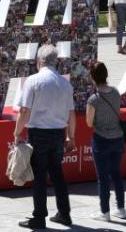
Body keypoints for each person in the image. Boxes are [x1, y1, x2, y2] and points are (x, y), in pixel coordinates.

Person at [13, 45, 75, 229]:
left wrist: (17, 132)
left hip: (38, 133)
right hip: (58, 133)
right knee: (57, 174)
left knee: (39, 176)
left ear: (39, 61)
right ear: (56, 61)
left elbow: (24, 110)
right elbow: (71, 113)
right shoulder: (65, 84)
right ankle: (64, 214)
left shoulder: (33, 81)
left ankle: (39, 217)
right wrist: (71, 136)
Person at [86, 62, 126, 222]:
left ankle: (105, 212)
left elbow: (89, 123)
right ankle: (121, 209)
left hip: (101, 140)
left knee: (102, 178)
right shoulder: (116, 92)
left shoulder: (93, 99)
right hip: (117, 139)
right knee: (117, 174)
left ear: (93, 78)